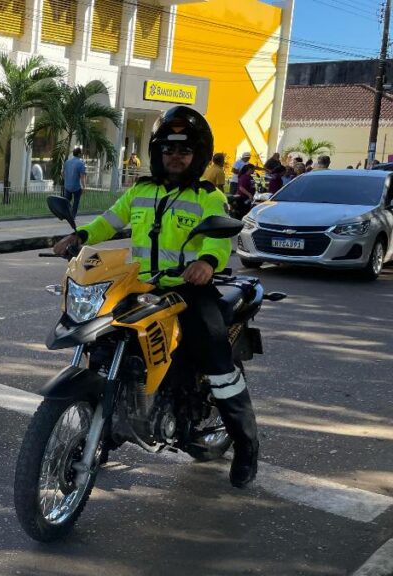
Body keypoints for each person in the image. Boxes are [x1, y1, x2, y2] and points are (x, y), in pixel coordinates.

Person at [52, 105, 260, 489]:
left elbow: (218, 239)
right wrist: (79, 237)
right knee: (105, 341)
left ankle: (246, 444)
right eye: (168, 149)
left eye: (184, 150)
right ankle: (111, 422)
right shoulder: (141, 190)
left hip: (189, 289)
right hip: (141, 286)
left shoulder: (208, 197)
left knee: (216, 360)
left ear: (198, 155)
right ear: (157, 152)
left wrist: (207, 263)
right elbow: (110, 222)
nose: (175, 156)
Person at [62, 146, 86, 218]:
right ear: (79, 154)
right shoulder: (81, 163)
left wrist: (66, 180)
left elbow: (63, 173)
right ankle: (72, 216)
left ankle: (65, 214)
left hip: (67, 185)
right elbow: (82, 177)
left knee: (66, 201)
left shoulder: (67, 162)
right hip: (76, 187)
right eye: (81, 153)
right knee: (76, 202)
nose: (81, 154)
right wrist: (84, 187)